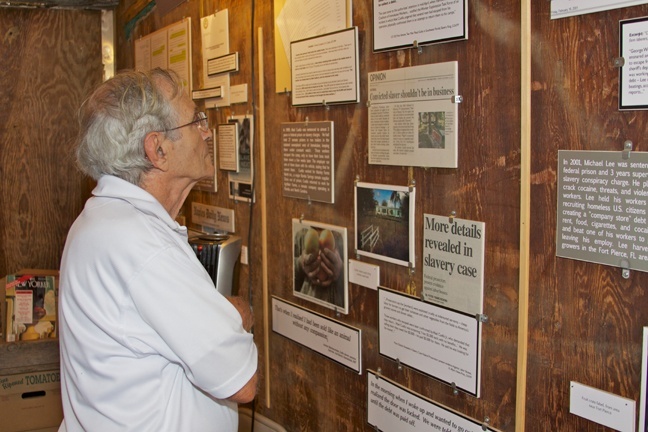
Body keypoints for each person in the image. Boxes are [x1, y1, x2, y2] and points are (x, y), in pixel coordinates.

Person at [57, 68, 258, 432]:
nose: (207, 131)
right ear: (157, 149)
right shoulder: (144, 245)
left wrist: (217, 317)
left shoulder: (100, 219)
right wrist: (238, 314)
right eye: (196, 120)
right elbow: (241, 381)